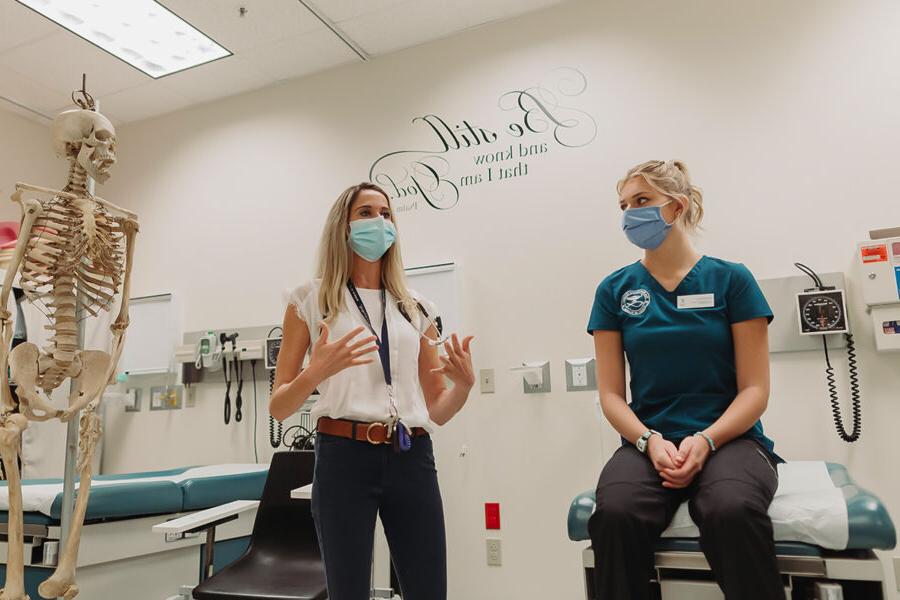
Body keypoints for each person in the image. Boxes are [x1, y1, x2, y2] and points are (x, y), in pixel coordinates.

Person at [587, 160, 783, 599]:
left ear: (675, 207)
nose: (629, 215)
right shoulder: (614, 290)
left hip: (730, 440)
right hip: (647, 443)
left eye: (641, 201)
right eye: (623, 205)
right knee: (615, 514)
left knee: (730, 510)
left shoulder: (731, 279)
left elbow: (755, 389)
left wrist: (708, 440)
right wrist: (648, 441)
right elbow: (612, 395)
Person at [270, 182, 475, 600]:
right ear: (342, 226)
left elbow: (436, 407)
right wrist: (314, 372)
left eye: (386, 214)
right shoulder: (310, 300)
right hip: (343, 456)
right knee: (348, 592)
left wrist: (465, 387)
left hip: (411, 456)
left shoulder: (416, 306)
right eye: (366, 212)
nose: (379, 222)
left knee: (428, 590)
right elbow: (278, 407)